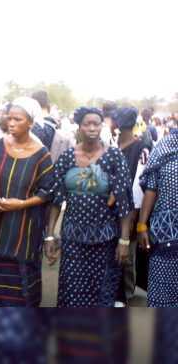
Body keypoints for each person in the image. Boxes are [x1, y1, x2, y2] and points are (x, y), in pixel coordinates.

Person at [46, 107, 132, 307]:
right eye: (87, 124)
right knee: (72, 290)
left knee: (102, 292)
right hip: (72, 238)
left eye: (96, 123)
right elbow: (56, 199)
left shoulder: (114, 157)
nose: (92, 128)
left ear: (102, 126)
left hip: (105, 239)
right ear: (79, 126)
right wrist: (50, 235)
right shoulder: (67, 157)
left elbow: (124, 202)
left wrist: (124, 240)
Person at [0, 97, 55, 307]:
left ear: (31, 123)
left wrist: (21, 204)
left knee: (22, 291)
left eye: (18, 119)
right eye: (9, 118)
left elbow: (48, 191)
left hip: (25, 230)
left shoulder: (41, 154)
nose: (11, 123)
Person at [110, 107, 149, 306]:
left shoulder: (140, 148)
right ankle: (116, 291)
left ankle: (126, 293)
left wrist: (134, 213)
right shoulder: (112, 145)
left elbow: (139, 185)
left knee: (127, 253)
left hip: (131, 210)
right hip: (111, 208)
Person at [137, 125, 178, 307]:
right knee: (162, 296)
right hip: (165, 235)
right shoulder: (165, 146)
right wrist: (141, 225)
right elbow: (151, 189)